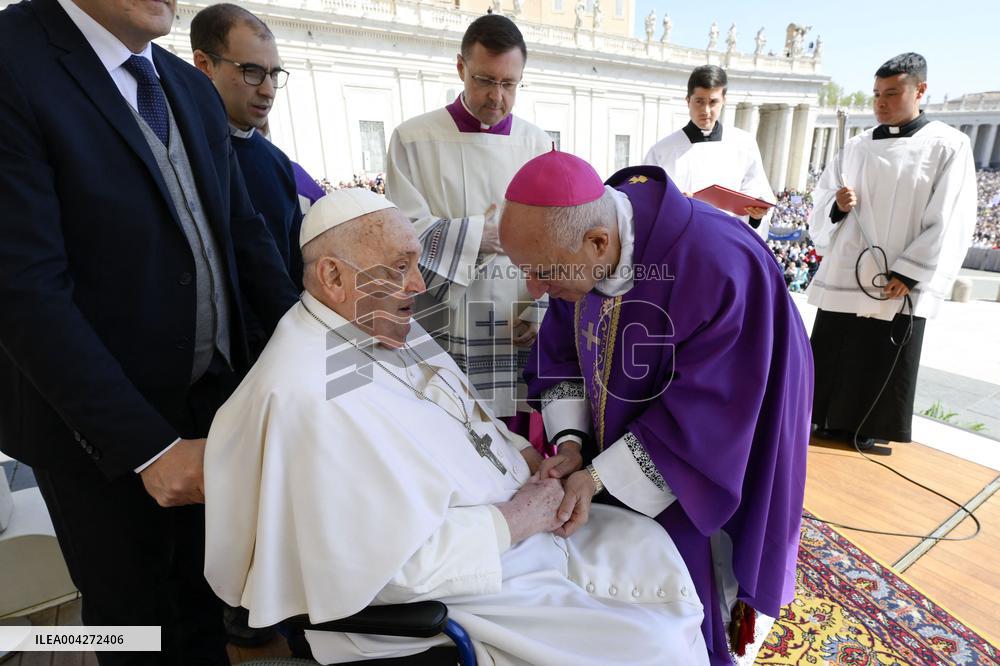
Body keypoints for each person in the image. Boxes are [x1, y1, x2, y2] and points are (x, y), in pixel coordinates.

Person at [203, 188, 709, 666]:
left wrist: (525, 457)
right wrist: (513, 519)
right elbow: (382, 571)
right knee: (653, 646)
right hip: (464, 585)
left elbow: (466, 418)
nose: (420, 285)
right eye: (400, 267)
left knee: (648, 546)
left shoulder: (370, 320)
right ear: (334, 277)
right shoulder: (307, 394)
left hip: (512, 535)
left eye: (416, 263)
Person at [0, 0, 299, 663]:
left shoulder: (184, 84)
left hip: (209, 407)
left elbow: (244, 238)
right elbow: (23, 288)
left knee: (204, 601)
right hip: (100, 435)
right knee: (132, 623)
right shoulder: (12, 62)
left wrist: (314, 354)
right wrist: (147, 447)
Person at [500, 149, 813, 664]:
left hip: (713, 448)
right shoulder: (575, 241)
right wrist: (574, 444)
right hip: (628, 436)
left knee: (692, 587)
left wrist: (599, 479)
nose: (536, 289)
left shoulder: (715, 265)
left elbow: (709, 417)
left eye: (542, 272)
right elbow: (559, 353)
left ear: (599, 242)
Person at [385, 14, 550, 435]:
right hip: (445, 322)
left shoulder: (538, 144)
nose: (497, 96)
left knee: (512, 443)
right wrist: (480, 235)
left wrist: (539, 310)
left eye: (509, 84)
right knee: (448, 432)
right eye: (484, 80)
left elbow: (557, 240)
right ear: (461, 68)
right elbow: (403, 236)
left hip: (513, 322)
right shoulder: (413, 139)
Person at [807, 53, 976, 448]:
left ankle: (867, 430)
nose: (881, 103)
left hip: (898, 279)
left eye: (892, 93)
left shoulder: (948, 146)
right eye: (877, 94)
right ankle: (822, 420)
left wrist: (910, 271)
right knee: (836, 347)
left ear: (920, 90)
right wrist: (838, 205)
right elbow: (822, 198)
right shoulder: (855, 145)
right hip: (848, 269)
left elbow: (952, 216)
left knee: (880, 355)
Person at [191, 3, 303, 355]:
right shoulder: (181, 154)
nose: (268, 90)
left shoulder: (279, 163)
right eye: (252, 72)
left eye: (274, 74)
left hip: (276, 346)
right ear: (204, 65)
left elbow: (295, 265)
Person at [643, 65, 775, 240]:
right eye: (699, 101)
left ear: (724, 101)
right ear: (688, 100)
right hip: (680, 242)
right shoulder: (661, 151)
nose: (706, 110)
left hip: (728, 241)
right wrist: (675, 203)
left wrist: (756, 214)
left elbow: (756, 190)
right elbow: (646, 203)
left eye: (713, 102)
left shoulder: (744, 143)